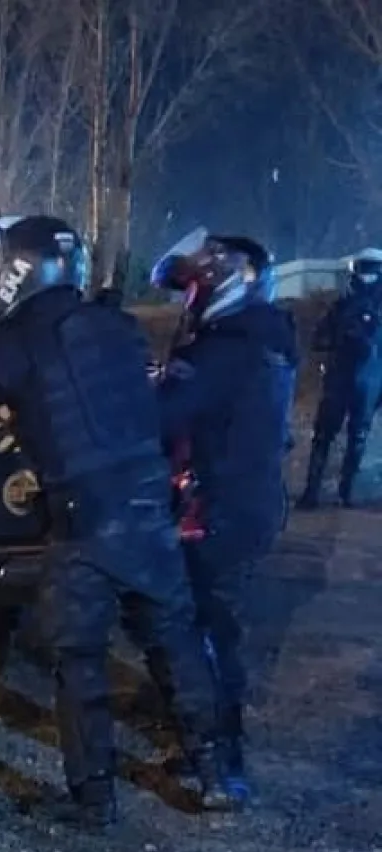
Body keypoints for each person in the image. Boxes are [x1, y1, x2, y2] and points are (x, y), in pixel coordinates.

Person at [0, 214, 235, 830]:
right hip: (147, 507)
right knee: (175, 640)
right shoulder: (117, 326)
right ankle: (218, 774)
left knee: (78, 657)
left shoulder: (20, 341)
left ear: (16, 270)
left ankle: (93, 799)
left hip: (85, 522)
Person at [142, 231, 295, 797]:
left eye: (191, 292)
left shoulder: (226, 350)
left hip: (224, 508)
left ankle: (222, 761)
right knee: (213, 626)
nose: (187, 304)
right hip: (244, 503)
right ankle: (213, 745)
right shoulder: (261, 339)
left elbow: (163, 417)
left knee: (205, 632)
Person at [296, 247, 382, 508]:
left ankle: (339, 492)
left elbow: (320, 339)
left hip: (360, 379)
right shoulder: (342, 306)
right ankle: (326, 492)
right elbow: (319, 339)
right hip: (352, 379)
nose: (365, 275)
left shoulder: (345, 305)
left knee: (347, 435)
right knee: (336, 434)